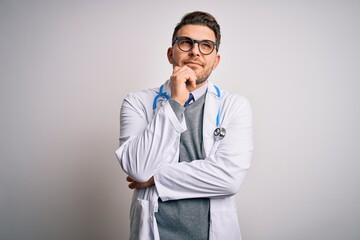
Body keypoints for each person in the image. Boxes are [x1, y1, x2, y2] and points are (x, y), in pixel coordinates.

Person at [116, 11, 253, 240]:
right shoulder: (137, 102)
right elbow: (138, 168)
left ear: (216, 60)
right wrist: (176, 101)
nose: (195, 51)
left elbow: (229, 178)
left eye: (206, 45)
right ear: (171, 54)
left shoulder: (235, 105)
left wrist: (156, 178)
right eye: (186, 42)